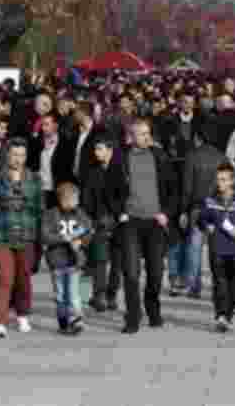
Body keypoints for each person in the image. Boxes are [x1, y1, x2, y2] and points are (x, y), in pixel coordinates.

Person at [0, 137, 44, 338]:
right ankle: (0, 321)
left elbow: (41, 211)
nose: (18, 159)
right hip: (0, 236)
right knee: (5, 278)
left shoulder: (35, 179)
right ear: (7, 155)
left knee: (23, 278)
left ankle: (22, 315)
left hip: (26, 236)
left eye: (22, 155)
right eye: (14, 155)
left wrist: (43, 239)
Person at [119, 118, 179, 334]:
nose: (144, 137)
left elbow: (173, 189)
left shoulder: (160, 156)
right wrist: (120, 212)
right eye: (139, 134)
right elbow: (111, 188)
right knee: (131, 273)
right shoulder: (122, 157)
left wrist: (166, 213)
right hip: (131, 222)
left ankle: (153, 309)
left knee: (155, 272)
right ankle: (132, 317)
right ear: (130, 136)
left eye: (147, 133)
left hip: (155, 222)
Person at [198, 162, 235, 332]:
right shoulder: (210, 201)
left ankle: (228, 314)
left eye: (223, 180)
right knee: (219, 283)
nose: (219, 183)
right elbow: (202, 219)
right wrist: (207, 226)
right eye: (218, 179)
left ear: (232, 181)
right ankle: (221, 315)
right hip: (217, 248)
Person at [175, 123, 224, 299]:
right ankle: (219, 284)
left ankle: (194, 286)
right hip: (217, 208)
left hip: (196, 207)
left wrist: (183, 211)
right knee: (216, 249)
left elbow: (187, 188)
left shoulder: (192, 157)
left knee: (194, 248)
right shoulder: (221, 157)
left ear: (198, 138)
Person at [81, 133, 128, 313]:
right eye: (95, 148)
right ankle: (99, 295)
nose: (96, 152)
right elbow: (87, 198)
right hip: (99, 221)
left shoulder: (121, 170)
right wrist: (90, 219)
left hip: (118, 221)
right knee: (100, 259)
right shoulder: (92, 171)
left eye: (100, 149)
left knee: (116, 261)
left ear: (110, 150)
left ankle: (111, 295)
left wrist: (121, 213)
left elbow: (125, 195)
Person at [41, 182, 93, 335]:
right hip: (56, 260)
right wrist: (64, 238)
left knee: (73, 293)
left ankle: (77, 321)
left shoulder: (80, 214)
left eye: (76, 199)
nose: (74, 202)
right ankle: (63, 322)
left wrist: (81, 241)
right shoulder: (50, 215)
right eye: (71, 199)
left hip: (74, 260)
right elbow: (45, 236)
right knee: (60, 294)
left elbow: (88, 230)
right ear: (62, 199)